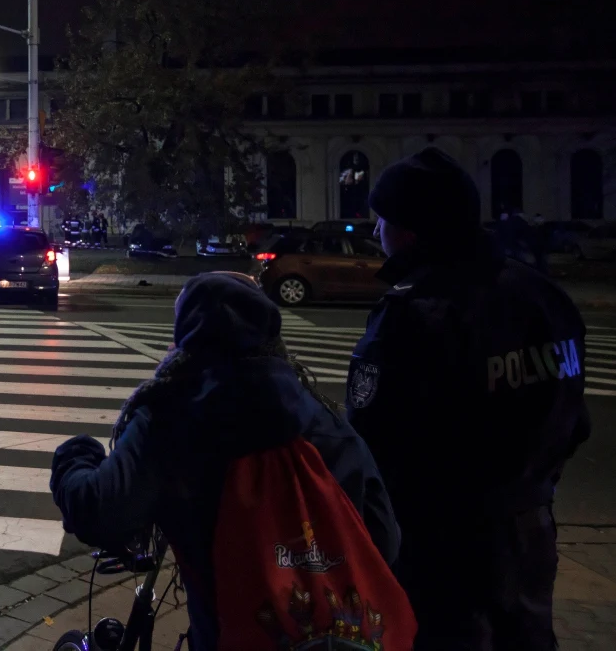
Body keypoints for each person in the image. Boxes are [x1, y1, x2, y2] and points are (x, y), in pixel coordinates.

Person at [52, 272, 401, 650]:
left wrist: (76, 457)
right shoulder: (321, 416)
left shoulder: (171, 418)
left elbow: (101, 512)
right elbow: (385, 537)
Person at [349, 146, 590, 648]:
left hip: (442, 541)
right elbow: (574, 420)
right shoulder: (544, 297)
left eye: (383, 220)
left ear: (411, 231)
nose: (376, 232)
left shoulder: (415, 312)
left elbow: (373, 438)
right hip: (529, 527)